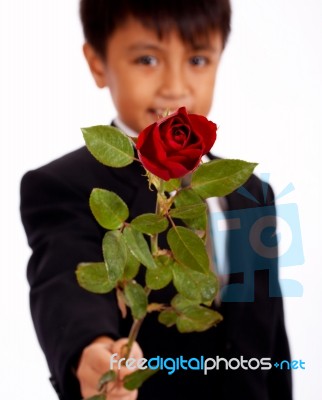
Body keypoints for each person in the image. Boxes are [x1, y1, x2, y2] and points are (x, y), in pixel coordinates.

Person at [20, 0, 292, 399]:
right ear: (98, 63)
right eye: (147, 59)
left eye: (198, 59)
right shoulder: (65, 185)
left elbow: (269, 340)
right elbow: (65, 280)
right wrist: (93, 350)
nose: (175, 85)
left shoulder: (251, 194)